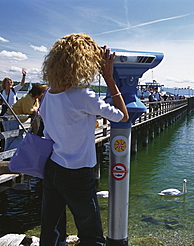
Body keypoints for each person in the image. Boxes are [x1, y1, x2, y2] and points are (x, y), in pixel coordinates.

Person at [39, 33, 129, 246]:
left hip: (53, 167)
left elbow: (49, 134)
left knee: (51, 229)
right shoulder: (82, 96)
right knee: (91, 234)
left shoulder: (48, 95)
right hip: (77, 172)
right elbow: (122, 115)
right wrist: (109, 77)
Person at [2, 84, 47, 151]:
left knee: (15, 137)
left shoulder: (35, 100)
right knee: (13, 138)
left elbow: (37, 108)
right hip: (10, 118)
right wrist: (34, 110)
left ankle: (8, 154)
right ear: (38, 93)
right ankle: (7, 154)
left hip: (15, 120)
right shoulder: (27, 98)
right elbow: (27, 110)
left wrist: (34, 110)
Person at [0, 69, 26, 152]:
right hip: (4, 110)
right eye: (7, 82)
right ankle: (2, 146)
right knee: (3, 129)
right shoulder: (2, 92)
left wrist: (23, 76)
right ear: (4, 84)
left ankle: (12, 146)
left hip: (13, 110)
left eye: (10, 82)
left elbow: (22, 84)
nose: (9, 83)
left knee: (14, 128)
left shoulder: (14, 90)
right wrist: (0, 102)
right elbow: (0, 101)